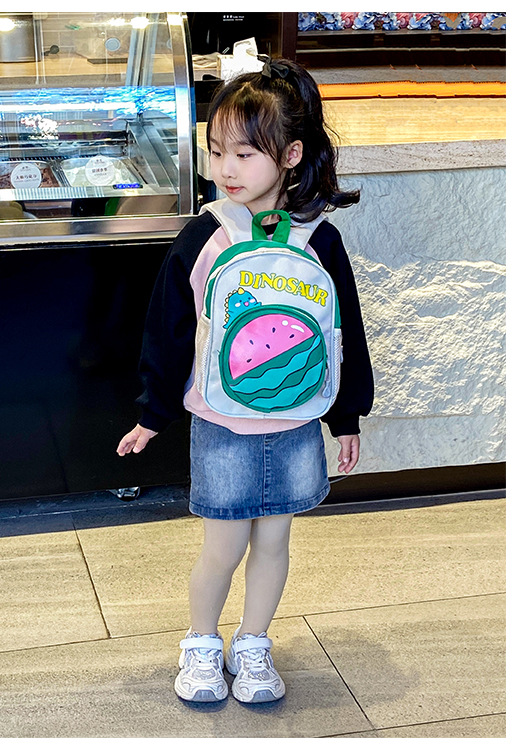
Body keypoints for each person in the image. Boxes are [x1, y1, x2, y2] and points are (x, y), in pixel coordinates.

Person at [116, 57, 374, 704]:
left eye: (244, 154)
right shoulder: (206, 234)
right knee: (223, 546)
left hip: (295, 422)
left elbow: (343, 329)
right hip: (222, 423)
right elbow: (168, 327)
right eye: (216, 152)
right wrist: (152, 412)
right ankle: (202, 643)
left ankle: (253, 642)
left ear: (291, 155)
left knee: (276, 541)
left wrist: (346, 415)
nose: (226, 169)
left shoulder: (320, 238)